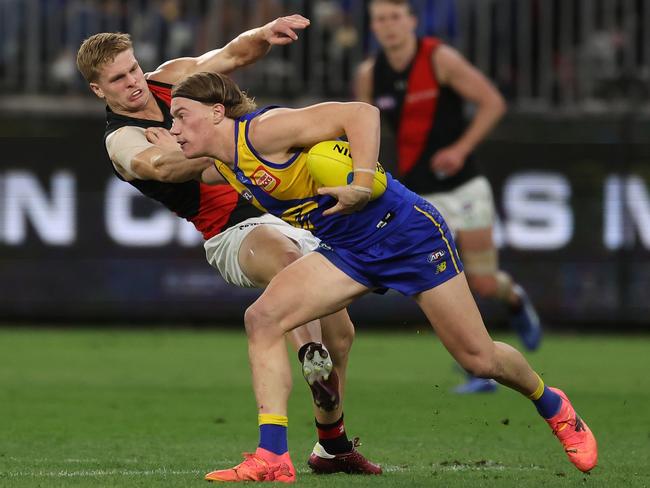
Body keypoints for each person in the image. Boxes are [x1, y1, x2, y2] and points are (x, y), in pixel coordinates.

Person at [167, 71, 598, 483]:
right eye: (171, 120)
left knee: (479, 360)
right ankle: (273, 457)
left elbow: (362, 113)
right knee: (262, 319)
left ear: (217, 112)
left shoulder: (265, 131)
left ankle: (552, 404)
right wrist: (136, 150)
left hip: (408, 234)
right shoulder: (223, 164)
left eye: (182, 115)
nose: (175, 127)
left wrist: (359, 181)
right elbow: (165, 167)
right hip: (349, 252)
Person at [75, 21, 380, 477]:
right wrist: (222, 145)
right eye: (118, 79)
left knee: (342, 333)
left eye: (133, 69)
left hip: (278, 206)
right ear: (99, 89)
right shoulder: (120, 139)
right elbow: (156, 166)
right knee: (289, 265)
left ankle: (331, 446)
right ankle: (306, 358)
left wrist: (266, 31)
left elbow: (229, 57)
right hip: (234, 232)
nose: (134, 82)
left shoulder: (170, 80)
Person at [355, 0, 542, 394]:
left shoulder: (439, 58)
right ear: (372, 26)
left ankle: (515, 298)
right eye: (380, 20)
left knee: (485, 283)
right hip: (417, 194)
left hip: (463, 186)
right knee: (439, 281)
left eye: (394, 17)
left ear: (411, 21)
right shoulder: (370, 74)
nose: (388, 26)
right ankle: (479, 371)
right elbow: (360, 125)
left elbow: (492, 102)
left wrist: (460, 148)